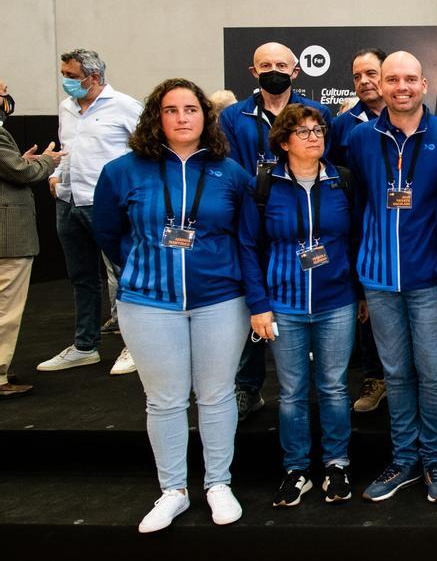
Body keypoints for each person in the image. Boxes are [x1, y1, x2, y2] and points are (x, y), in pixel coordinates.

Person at [91, 78, 254, 533]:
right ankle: (173, 491)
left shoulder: (230, 172)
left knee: (217, 395)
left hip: (221, 299)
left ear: (206, 116)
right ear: (156, 118)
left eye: (191, 109)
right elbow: (108, 231)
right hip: (148, 302)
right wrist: (145, 266)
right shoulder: (123, 171)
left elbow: (246, 236)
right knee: (163, 400)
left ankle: (218, 483)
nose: (183, 118)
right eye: (172, 110)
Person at [344, 51, 437, 504]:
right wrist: (358, 281)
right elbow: (356, 208)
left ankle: (435, 456)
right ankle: (404, 458)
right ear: (381, 83)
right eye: (391, 78)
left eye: (410, 79)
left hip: (430, 279)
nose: (401, 87)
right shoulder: (359, 138)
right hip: (378, 279)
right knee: (396, 375)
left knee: (433, 374)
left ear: (423, 84)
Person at [240, 104, 360, 507]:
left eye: (318, 130)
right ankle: (296, 470)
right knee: (291, 392)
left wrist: (358, 294)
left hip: (336, 301)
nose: (314, 138)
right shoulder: (264, 186)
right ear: (284, 141)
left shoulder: (341, 181)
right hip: (283, 304)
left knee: (334, 387)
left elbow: (357, 240)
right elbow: (249, 249)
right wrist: (258, 304)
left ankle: (337, 465)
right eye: (304, 132)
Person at [219, 41, 332, 420]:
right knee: (255, 302)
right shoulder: (234, 117)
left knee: (307, 299)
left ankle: (316, 386)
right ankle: (248, 386)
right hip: (253, 217)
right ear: (253, 72)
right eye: (265, 64)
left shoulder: (317, 113)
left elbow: (324, 165)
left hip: (301, 219)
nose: (274, 70)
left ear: (296, 71)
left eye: (281, 64)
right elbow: (231, 171)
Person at [39, 49, 141, 376]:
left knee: (126, 275)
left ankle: (136, 345)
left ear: (93, 77)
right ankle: (85, 346)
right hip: (69, 202)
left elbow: (144, 153)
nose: (65, 82)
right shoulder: (66, 108)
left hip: (108, 205)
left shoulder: (125, 107)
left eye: (71, 76)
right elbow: (66, 151)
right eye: (64, 74)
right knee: (82, 277)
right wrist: (56, 176)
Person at [327, 47, 389, 414]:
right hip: (358, 226)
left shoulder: (410, 116)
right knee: (367, 305)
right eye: (357, 76)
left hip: (405, 226)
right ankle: (374, 377)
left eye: (372, 73)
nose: (365, 81)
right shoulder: (343, 125)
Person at [0, 127, 64, 397]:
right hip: (8, 235)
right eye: (2, 93)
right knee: (6, 309)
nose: (5, 98)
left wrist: (22, 162)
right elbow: (23, 173)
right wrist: (47, 160)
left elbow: (11, 167)